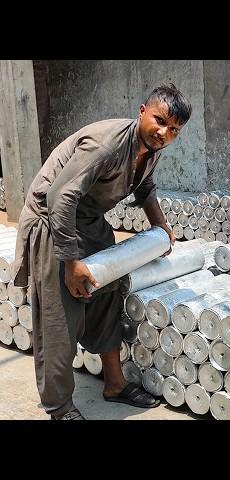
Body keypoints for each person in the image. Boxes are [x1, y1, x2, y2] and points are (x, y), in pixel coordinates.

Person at [11, 83, 191, 420]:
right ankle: (59, 407)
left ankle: (114, 384)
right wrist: (70, 263)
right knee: (60, 317)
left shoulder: (151, 149)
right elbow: (59, 198)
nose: (164, 133)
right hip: (52, 222)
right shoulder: (107, 145)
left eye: (174, 130)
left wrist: (160, 227)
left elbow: (146, 187)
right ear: (142, 111)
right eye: (159, 120)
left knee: (107, 296)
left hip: (89, 220)